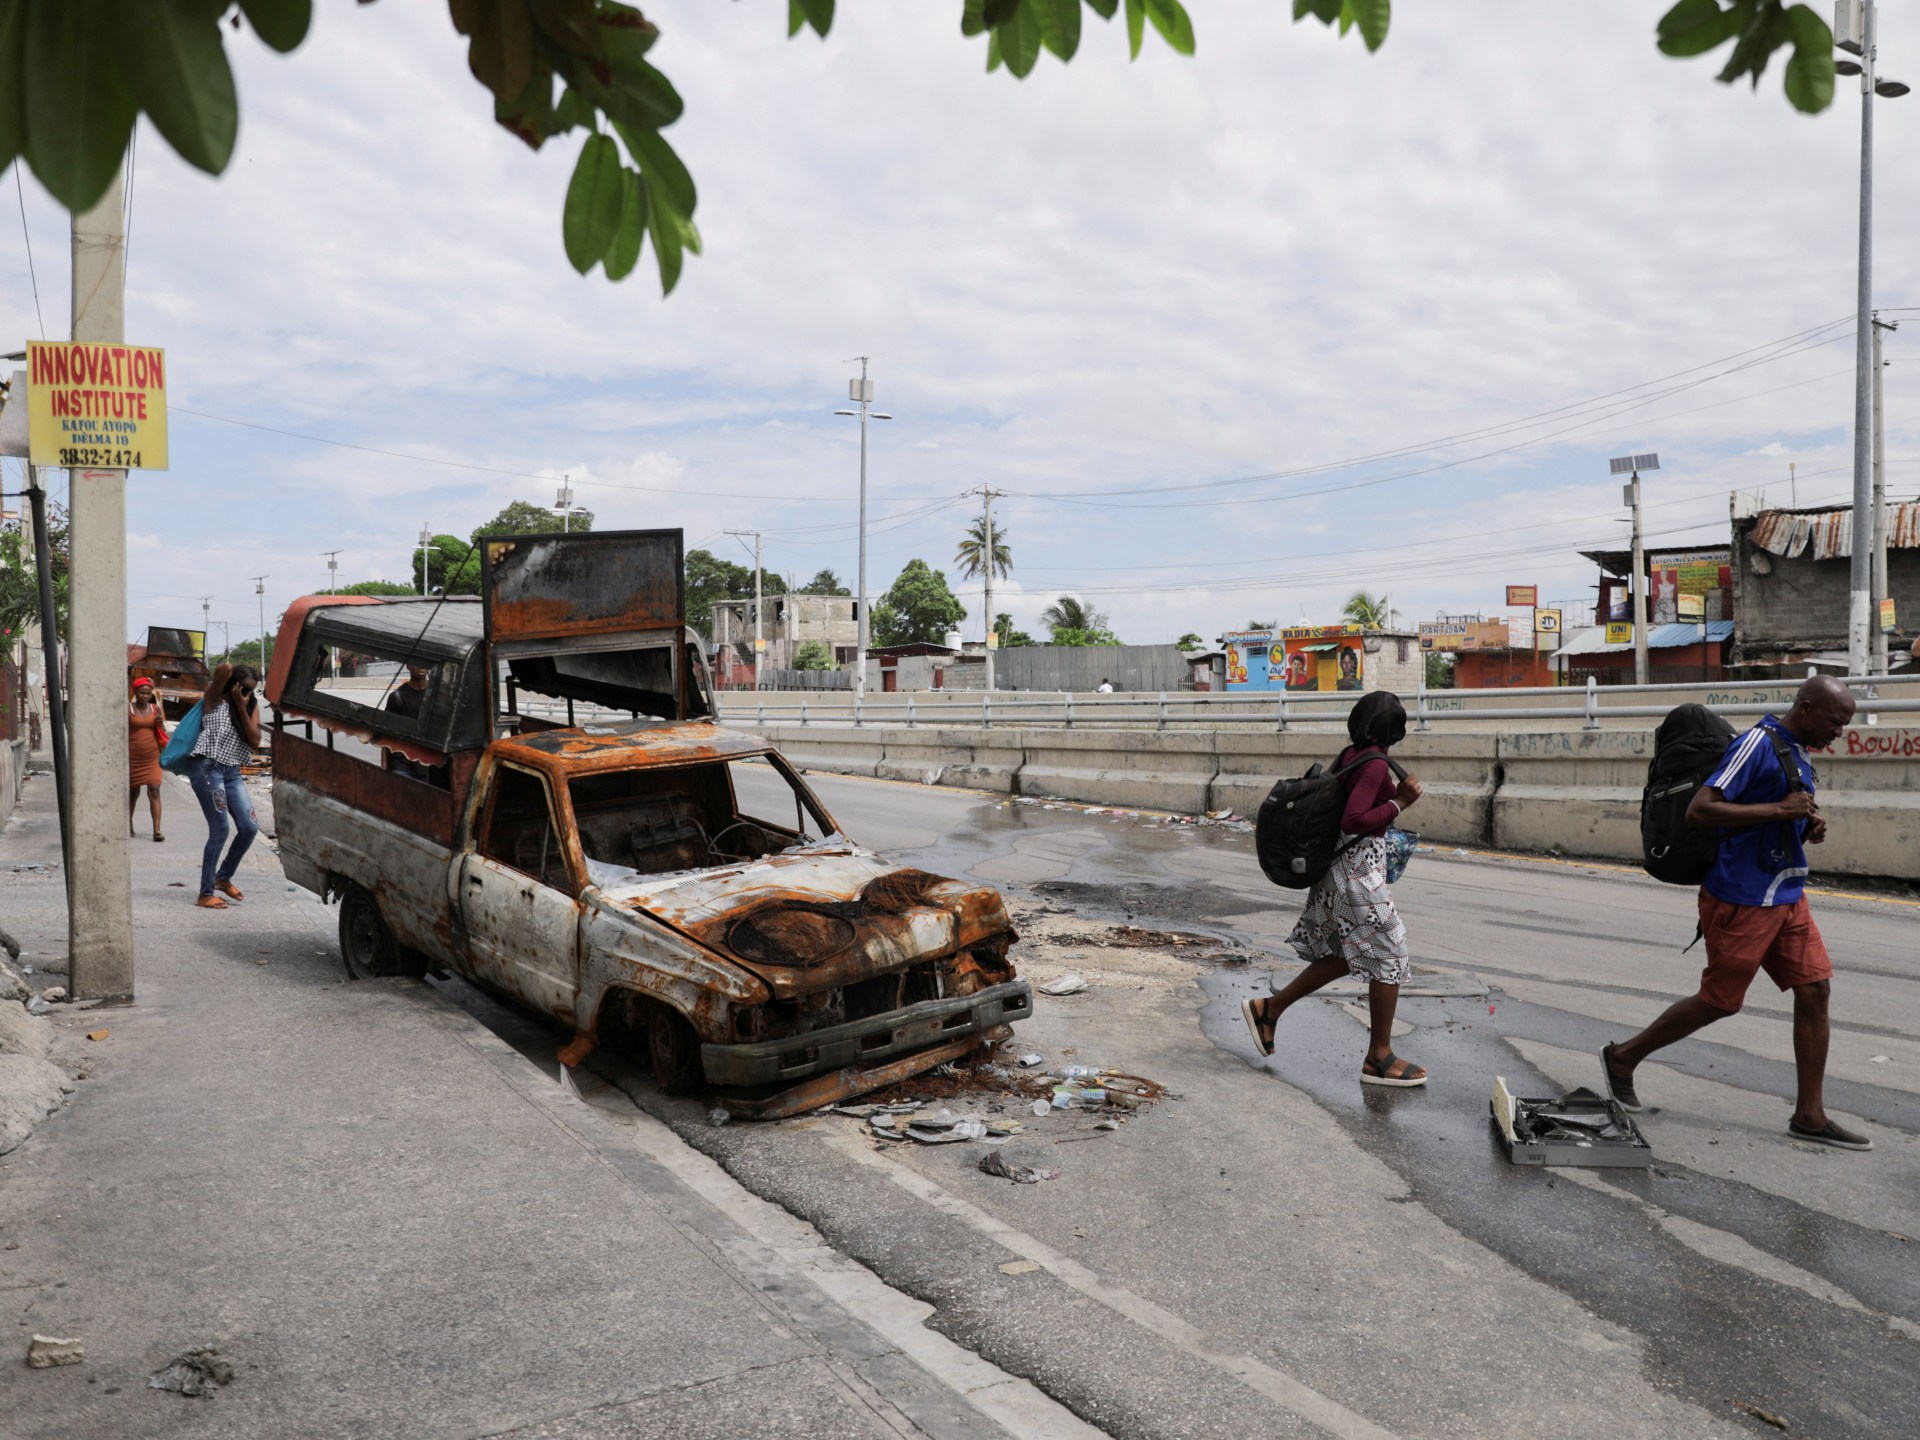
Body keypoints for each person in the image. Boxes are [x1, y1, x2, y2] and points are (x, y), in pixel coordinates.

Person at [1601, 675, 1869, 1149]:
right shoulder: (1756, 744)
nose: (1839, 732)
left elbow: (1776, 813)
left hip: (1785, 893)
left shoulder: (1800, 749)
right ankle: (1623, 1057)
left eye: (1845, 724)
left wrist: (1804, 825)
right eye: (1835, 721)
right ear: (1806, 708)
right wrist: (1780, 812)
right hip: (1742, 897)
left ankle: (1809, 1113)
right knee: (1721, 1001)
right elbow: (1702, 810)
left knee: (1815, 991)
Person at [1242, 690, 1427, 1085]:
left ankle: (1268, 1010)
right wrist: (1401, 804)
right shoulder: (1375, 764)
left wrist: (1391, 801)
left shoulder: (1351, 755)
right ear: (1396, 730)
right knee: (1391, 952)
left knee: (1348, 953)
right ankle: (1379, 1057)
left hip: (1339, 869)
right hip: (1354, 874)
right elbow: (1355, 818)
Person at [188, 663, 262, 910]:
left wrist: (242, 706)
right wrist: (233, 686)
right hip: (208, 769)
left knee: (249, 827)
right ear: (233, 685)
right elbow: (224, 668)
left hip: (232, 772)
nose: (248, 694)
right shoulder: (214, 699)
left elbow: (255, 739)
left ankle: (223, 878)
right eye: (244, 688)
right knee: (220, 830)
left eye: (252, 690)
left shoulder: (250, 706)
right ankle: (205, 893)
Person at [127, 678, 166, 842]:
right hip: (132, 756)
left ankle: (157, 830)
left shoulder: (155, 708)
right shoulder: (127, 709)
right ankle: (127, 824)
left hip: (151, 756)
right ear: (135, 692)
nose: (145, 696)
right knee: (133, 792)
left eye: (148, 693)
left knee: (155, 790)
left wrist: (160, 723)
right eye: (142, 693)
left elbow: (162, 732)